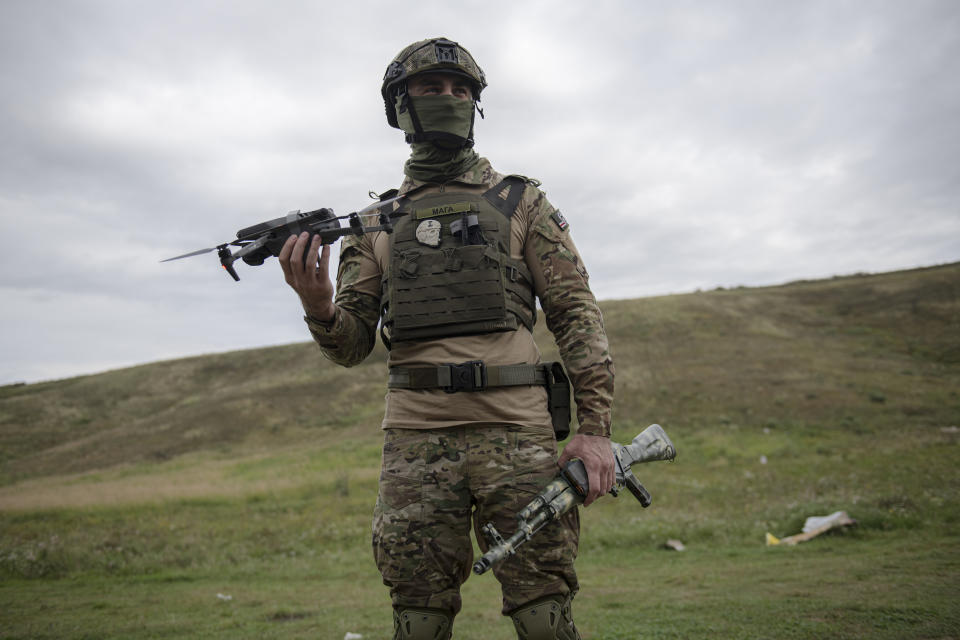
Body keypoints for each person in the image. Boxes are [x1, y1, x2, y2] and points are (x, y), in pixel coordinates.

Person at [278, 37, 615, 640]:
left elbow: (576, 315)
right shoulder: (375, 221)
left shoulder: (521, 202)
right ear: (401, 108)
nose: (450, 99)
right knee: (418, 610)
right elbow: (352, 347)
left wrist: (593, 431)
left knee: (543, 607)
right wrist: (318, 304)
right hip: (415, 443)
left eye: (462, 91)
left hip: (518, 435)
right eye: (432, 89)